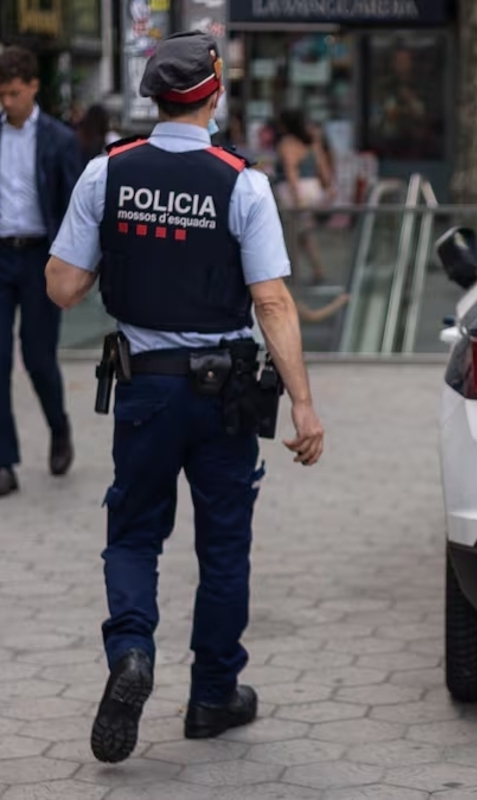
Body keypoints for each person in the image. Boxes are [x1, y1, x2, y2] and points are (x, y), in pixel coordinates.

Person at [43, 30, 325, 763]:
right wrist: (302, 403)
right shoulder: (244, 182)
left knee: (134, 533)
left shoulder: (108, 174)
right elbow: (273, 302)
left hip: (144, 389)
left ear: (154, 96)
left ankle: (133, 652)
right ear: (213, 91)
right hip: (226, 389)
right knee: (224, 545)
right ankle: (212, 696)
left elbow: (62, 286)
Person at [0, 46, 84, 498]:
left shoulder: (59, 139)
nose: (6, 101)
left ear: (33, 86)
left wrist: (77, 269)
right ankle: (4, 462)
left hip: (39, 258)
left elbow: (76, 209)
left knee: (37, 358)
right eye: (1, 93)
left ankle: (59, 427)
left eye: (13, 92)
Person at [273, 108, 334, 284]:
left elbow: (291, 170)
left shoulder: (287, 144)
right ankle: (313, 269)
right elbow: (323, 168)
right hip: (314, 188)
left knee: (294, 232)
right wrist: (328, 188)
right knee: (303, 233)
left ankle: (298, 271)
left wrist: (296, 196)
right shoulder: (312, 142)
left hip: (296, 191)